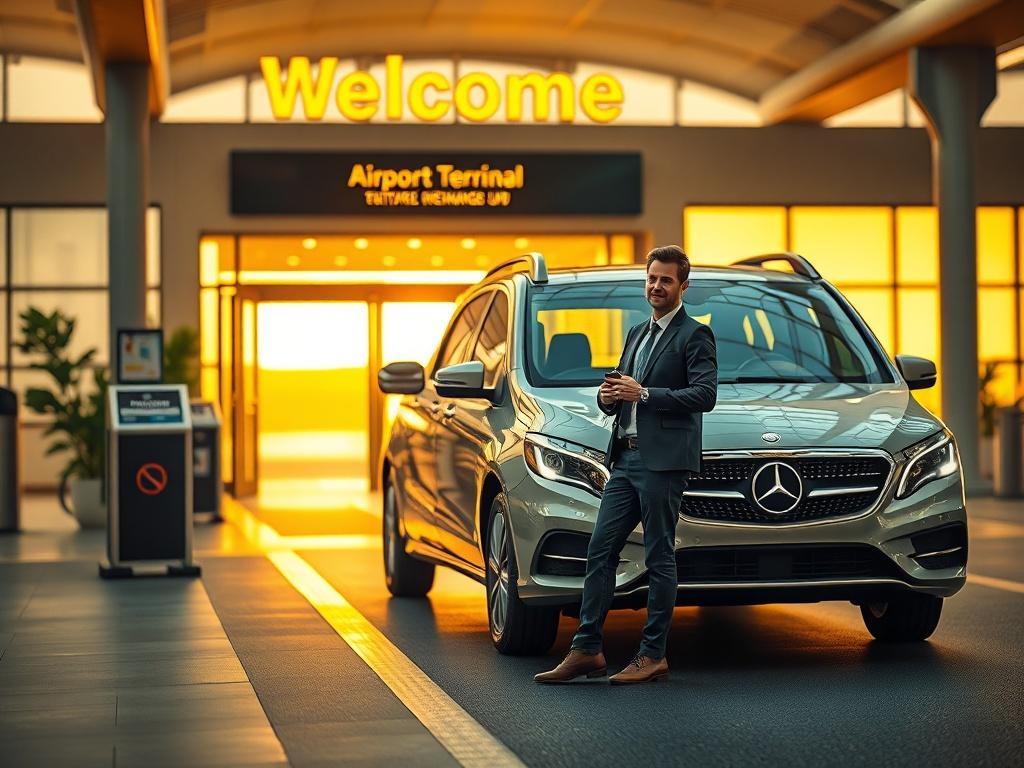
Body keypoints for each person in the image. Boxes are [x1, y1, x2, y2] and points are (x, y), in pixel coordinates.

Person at [535, 245, 718, 685]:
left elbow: (705, 395)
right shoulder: (637, 332)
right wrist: (608, 396)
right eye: (652, 278)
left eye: (666, 280)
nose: (656, 286)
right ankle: (587, 650)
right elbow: (621, 389)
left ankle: (652, 655)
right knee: (600, 550)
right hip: (625, 457)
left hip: (663, 463)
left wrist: (646, 394)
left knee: (658, 555)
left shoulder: (695, 335)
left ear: (683, 286)